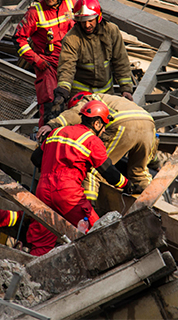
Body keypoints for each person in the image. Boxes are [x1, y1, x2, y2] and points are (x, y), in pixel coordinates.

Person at [26, 100, 133, 256]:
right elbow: (109, 173)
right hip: (68, 194)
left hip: (43, 190)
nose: (103, 132)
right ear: (97, 124)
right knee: (96, 232)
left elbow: (35, 158)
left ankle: (31, 277)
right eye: (103, 127)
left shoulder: (57, 132)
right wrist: (127, 184)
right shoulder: (92, 141)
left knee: (42, 239)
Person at [38, 92, 156, 199]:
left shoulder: (90, 100)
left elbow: (74, 114)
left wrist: (53, 124)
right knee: (139, 172)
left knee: (94, 170)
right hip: (149, 123)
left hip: (123, 124)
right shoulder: (112, 99)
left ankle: (89, 206)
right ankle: (151, 205)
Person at [14, 0, 75, 125]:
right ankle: (46, 139)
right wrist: (36, 60)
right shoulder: (35, 13)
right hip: (47, 65)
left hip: (70, 61)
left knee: (77, 102)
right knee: (51, 105)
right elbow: (19, 39)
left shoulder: (71, 6)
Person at [53, 0, 134, 114]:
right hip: (80, 96)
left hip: (105, 94)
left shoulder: (111, 31)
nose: (87, 25)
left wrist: (126, 89)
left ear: (98, 17)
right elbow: (67, 67)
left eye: (90, 20)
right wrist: (62, 92)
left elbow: (120, 61)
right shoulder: (72, 38)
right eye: (83, 21)